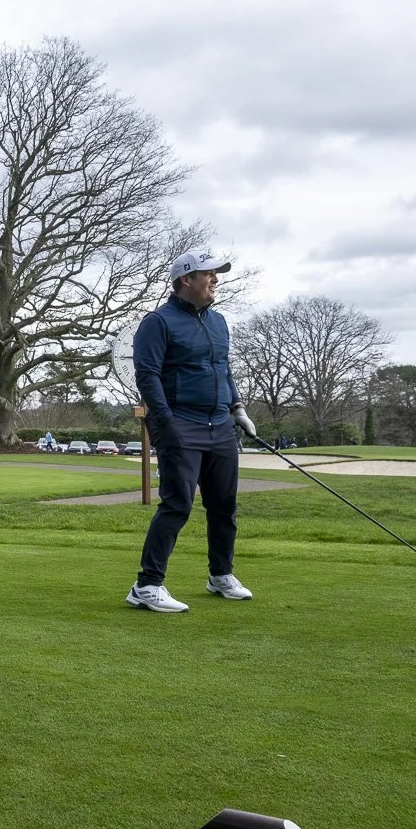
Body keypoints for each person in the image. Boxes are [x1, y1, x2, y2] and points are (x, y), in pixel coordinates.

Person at [126, 250, 259, 612]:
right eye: (208, 274)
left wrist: (238, 409)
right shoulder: (158, 322)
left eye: (216, 274)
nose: (215, 279)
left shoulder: (218, 322)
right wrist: (166, 422)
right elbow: (147, 376)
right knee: (177, 505)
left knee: (224, 506)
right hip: (180, 422)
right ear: (186, 279)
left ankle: (221, 575)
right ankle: (146, 585)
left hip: (220, 424)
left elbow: (222, 369)